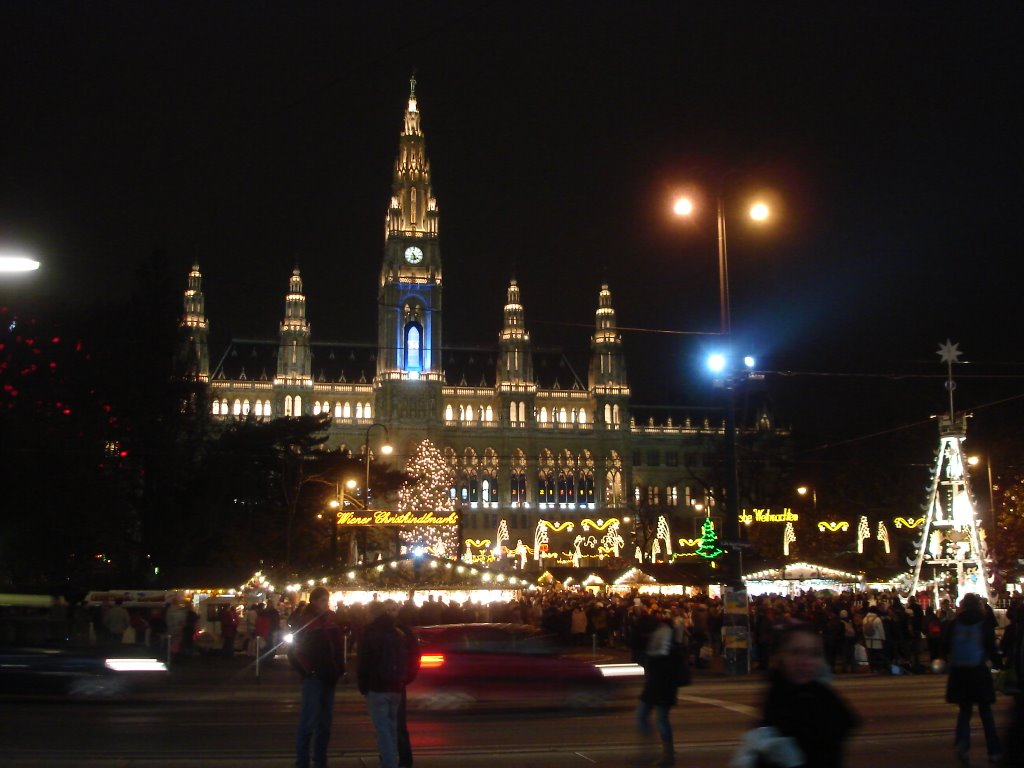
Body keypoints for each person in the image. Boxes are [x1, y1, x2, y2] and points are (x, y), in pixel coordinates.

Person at [759, 622, 859, 767]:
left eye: (814, 654)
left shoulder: (824, 698)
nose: (805, 661)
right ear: (780, 656)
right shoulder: (778, 701)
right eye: (796, 652)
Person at [943, 593, 1002, 763]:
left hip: (960, 674)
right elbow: (991, 648)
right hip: (979, 673)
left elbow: (945, 645)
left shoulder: (954, 624)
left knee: (964, 711)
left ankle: (962, 743)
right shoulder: (984, 624)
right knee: (986, 714)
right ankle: (994, 750)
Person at [292, 586, 346, 768]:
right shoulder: (306, 621)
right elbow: (296, 650)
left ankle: (320, 761)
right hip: (314, 677)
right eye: (323, 600)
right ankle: (303, 762)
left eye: (327, 600)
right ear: (314, 601)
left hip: (328, 676)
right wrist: (308, 671)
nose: (326, 604)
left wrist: (339, 667)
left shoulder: (330, 620)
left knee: (324, 725)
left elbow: (338, 646)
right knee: (309, 723)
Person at [358, 599, 413, 768]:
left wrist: (363, 686)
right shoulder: (399, 632)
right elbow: (411, 656)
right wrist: (404, 678)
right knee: (392, 727)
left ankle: (389, 762)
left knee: (383, 730)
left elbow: (364, 662)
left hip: (378, 687)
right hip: (396, 686)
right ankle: (397, 760)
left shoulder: (371, 632)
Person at [636, 607, 685, 767]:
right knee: (650, 717)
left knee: (658, 718)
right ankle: (660, 752)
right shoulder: (664, 636)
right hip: (658, 685)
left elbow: (661, 658)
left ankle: (664, 754)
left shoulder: (665, 642)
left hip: (662, 685)